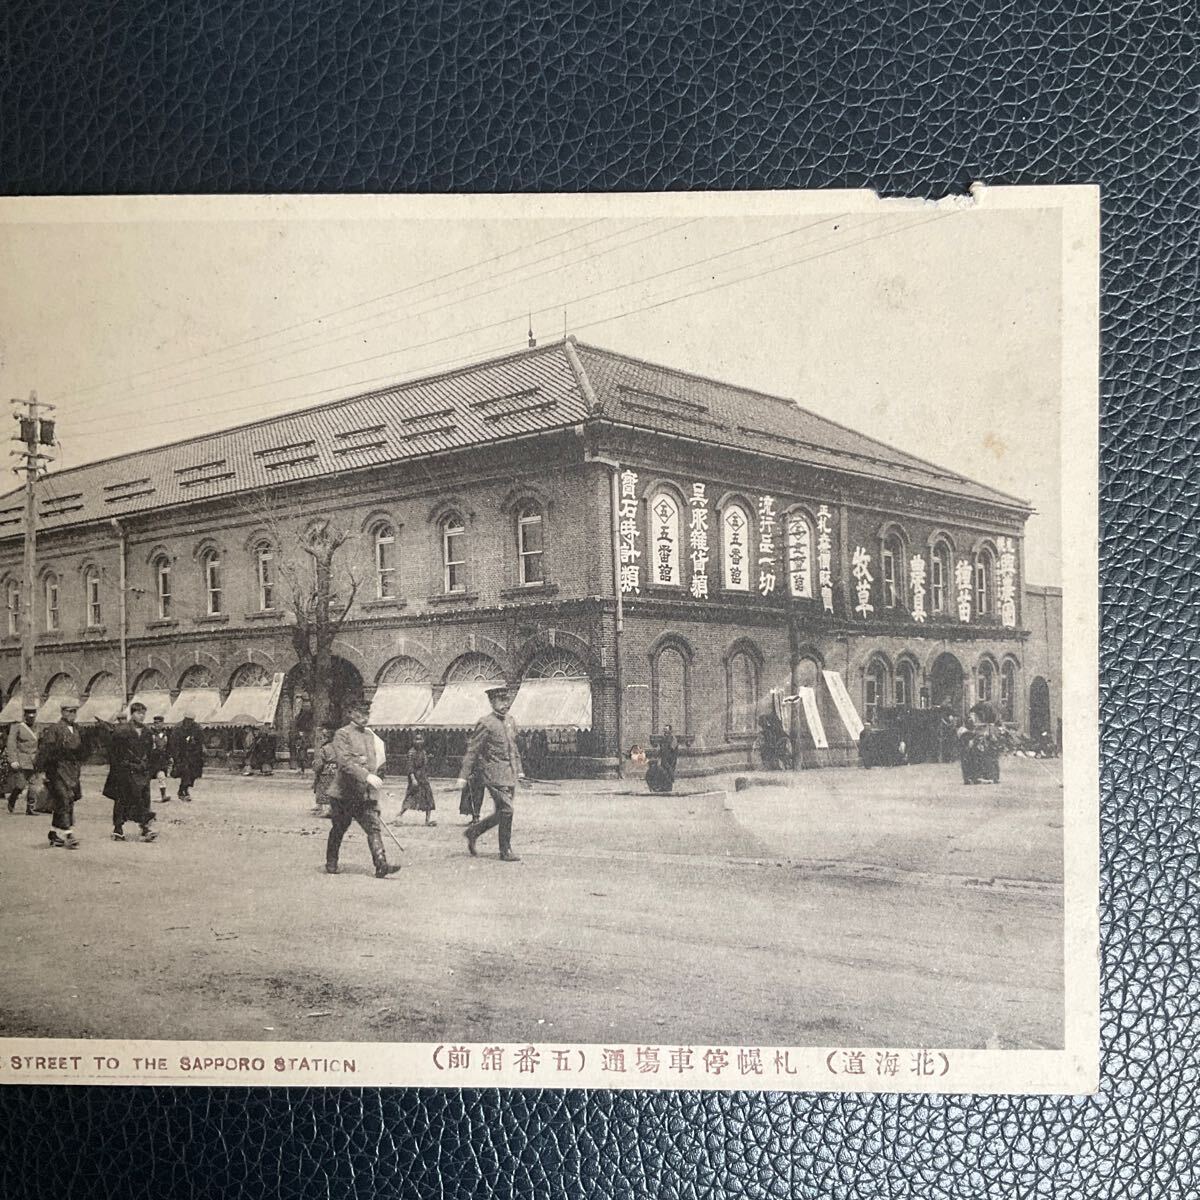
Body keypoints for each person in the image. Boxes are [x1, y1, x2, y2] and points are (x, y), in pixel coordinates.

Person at [324, 700, 400, 878]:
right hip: (344, 794)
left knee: (373, 827)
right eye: (361, 713)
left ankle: (381, 864)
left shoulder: (370, 736)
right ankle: (331, 860)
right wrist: (366, 775)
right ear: (351, 713)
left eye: (367, 714)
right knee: (339, 827)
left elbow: (373, 764)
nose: (365, 717)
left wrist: (374, 786)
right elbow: (345, 763)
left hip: (364, 795)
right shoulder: (342, 734)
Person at [456, 684, 526, 862]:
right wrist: (463, 776)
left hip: (509, 774)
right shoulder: (485, 723)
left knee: (501, 812)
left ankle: (473, 832)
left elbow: (514, 748)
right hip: (493, 774)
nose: (506, 704)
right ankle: (505, 850)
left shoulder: (510, 721)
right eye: (501, 700)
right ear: (491, 701)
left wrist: (519, 771)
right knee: (508, 810)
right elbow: (472, 751)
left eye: (507, 699)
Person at [34, 701, 88, 849]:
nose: (72, 715)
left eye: (74, 712)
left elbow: (82, 750)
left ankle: (53, 833)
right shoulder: (55, 729)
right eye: (69, 711)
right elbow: (46, 751)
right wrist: (44, 771)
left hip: (72, 771)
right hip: (57, 770)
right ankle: (68, 834)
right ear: (62, 712)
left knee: (67, 800)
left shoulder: (77, 729)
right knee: (64, 799)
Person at [101, 701, 158, 842]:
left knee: (144, 799)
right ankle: (118, 829)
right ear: (132, 714)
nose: (142, 716)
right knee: (122, 800)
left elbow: (150, 751)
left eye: (144, 714)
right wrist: (121, 766)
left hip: (142, 771)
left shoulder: (147, 731)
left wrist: (149, 767)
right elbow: (114, 752)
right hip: (125, 771)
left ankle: (145, 828)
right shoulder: (122, 731)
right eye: (139, 713)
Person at [6, 706, 39, 814]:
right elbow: (11, 744)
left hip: (34, 760)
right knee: (20, 784)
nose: (31, 719)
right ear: (25, 716)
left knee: (34, 785)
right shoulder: (17, 727)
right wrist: (13, 760)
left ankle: (30, 808)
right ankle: (12, 798)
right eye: (29, 717)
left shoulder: (37, 727)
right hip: (22, 760)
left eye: (33, 717)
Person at [399, 733, 437, 826]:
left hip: (423, 777)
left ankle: (427, 820)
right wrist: (413, 779)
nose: (419, 742)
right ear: (414, 741)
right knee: (411, 796)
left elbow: (425, 765)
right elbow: (409, 767)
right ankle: (400, 814)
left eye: (420, 740)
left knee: (428, 797)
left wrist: (426, 775)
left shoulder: (423, 752)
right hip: (415, 777)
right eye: (417, 740)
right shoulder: (411, 752)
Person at [169, 714, 205, 800]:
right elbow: (173, 743)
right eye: (188, 720)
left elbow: (201, 740)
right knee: (185, 772)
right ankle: (183, 791)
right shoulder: (178, 728)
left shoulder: (197, 728)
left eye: (191, 720)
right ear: (185, 719)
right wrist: (174, 756)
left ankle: (184, 789)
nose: (189, 722)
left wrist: (199, 748)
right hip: (182, 754)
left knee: (193, 774)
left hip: (194, 754)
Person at [310, 724, 337, 816]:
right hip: (338, 770)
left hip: (327, 770)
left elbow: (320, 762)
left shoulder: (325, 748)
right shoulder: (340, 747)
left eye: (324, 737)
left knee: (325, 788)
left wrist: (316, 767)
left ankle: (327, 809)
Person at [646, 725, 679, 794]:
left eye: (667, 730)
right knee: (663, 773)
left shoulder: (673, 739)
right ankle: (663, 787)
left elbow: (672, 749)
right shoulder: (663, 739)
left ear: (670, 731)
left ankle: (669, 787)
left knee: (669, 772)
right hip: (664, 759)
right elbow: (661, 749)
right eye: (664, 730)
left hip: (671, 759)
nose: (665, 732)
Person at [148, 714, 172, 804]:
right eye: (155, 723)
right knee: (146, 778)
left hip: (161, 759)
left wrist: (169, 756)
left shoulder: (166, 734)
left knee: (161, 776)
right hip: (151, 758)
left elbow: (169, 746)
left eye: (158, 723)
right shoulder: (150, 734)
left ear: (162, 723)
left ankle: (163, 795)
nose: (156, 725)